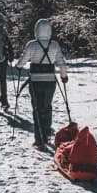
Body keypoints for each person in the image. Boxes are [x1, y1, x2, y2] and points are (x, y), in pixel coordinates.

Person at [14, 18, 68, 149]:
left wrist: (18, 66)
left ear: (36, 30)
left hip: (35, 81)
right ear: (49, 30)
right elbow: (61, 62)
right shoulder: (54, 45)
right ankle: (47, 135)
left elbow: (22, 61)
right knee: (47, 107)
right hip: (50, 81)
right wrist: (63, 76)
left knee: (37, 109)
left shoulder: (31, 44)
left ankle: (39, 140)